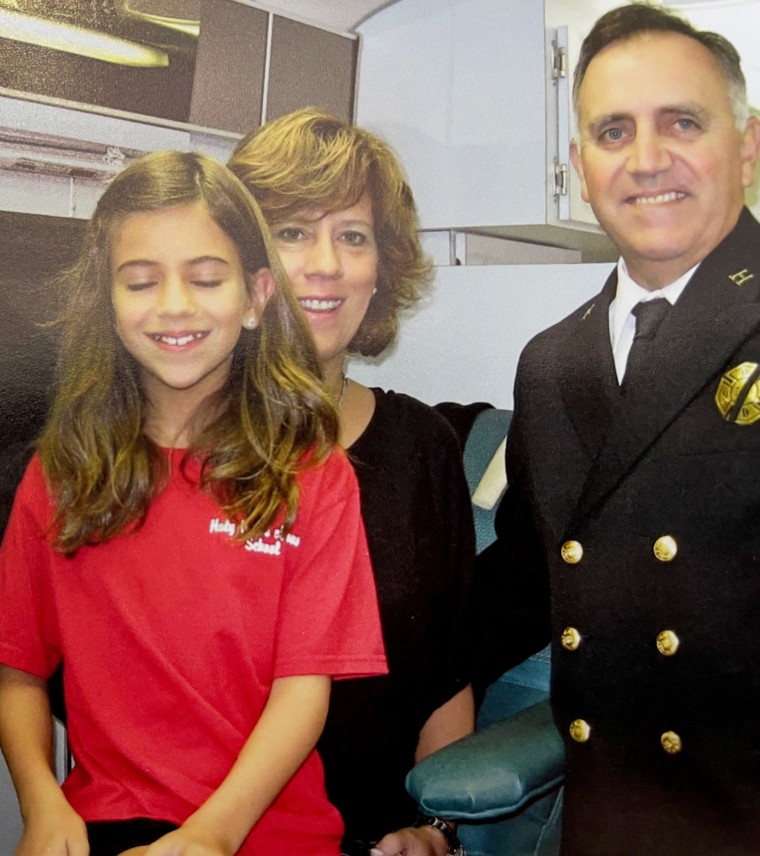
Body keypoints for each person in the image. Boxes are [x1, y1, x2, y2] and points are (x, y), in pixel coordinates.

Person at [0, 150, 388, 856]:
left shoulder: (313, 473)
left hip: (265, 832)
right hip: (106, 826)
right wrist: (42, 804)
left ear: (255, 296)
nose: (175, 306)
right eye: (141, 282)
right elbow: (18, 670)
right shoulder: (59, 472)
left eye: (206, 279)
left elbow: (303, 692)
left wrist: (210, 836)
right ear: (105, 301)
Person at [478, 3, 760, 854]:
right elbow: (524, 583)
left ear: (747, 144)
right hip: (607, 818)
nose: (646, 161)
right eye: (612, 131)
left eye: (682, 122)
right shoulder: (551, 362)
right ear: (580, 163)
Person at [229, 109, 475, 856]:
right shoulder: (176, 441)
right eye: (293, 231)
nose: (325, 263)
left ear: (383, 267)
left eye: (353, 235)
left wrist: (435, 829)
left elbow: (447, 673)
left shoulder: (424, 449)